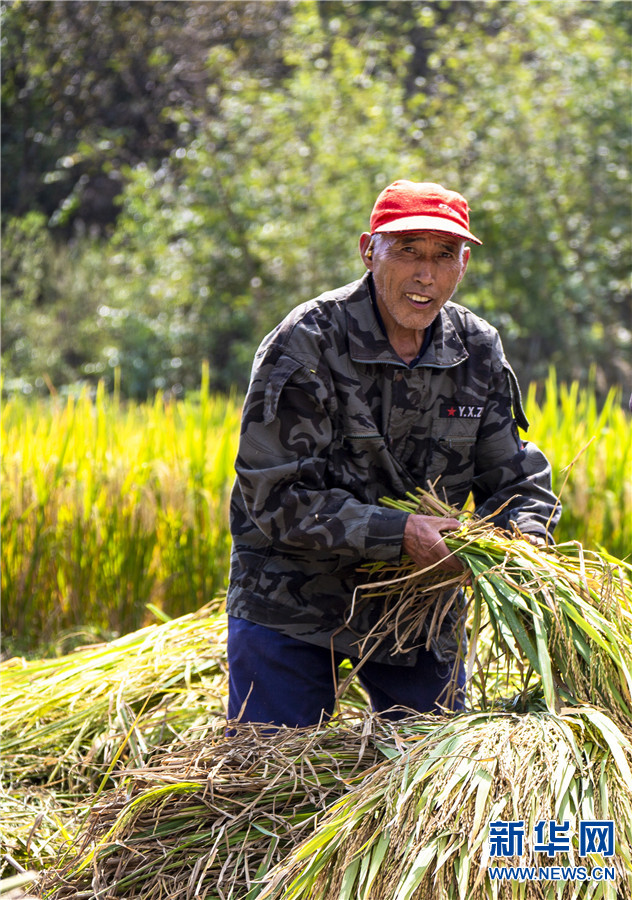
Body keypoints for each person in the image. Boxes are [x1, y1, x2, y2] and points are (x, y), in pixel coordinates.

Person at [225, 179, 560, 727]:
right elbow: (275, 495)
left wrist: (521, 542)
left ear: (463, 264)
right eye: (408, 251)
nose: (425, 274)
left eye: (443, 255)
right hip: (293, 603)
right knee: (273, 790)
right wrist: (401, 534)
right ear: (368, 250)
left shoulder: (476, 348)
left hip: (417, 609)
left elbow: (514, 477)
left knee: (431, 786)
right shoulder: (307, 342)